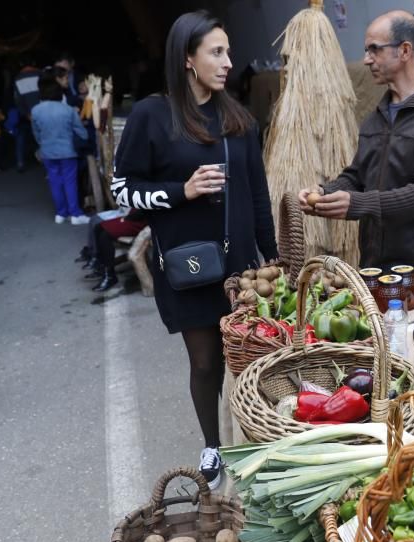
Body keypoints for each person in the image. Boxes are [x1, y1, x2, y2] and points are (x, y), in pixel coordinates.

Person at [111, 11, 278, 489]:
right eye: (216, 52)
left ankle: (256, 438)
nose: (228, 62)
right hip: (187, 267)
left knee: (251, 359)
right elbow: (123, 191)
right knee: (205, 363)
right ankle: (212, 443)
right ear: (188, 58)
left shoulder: (238, 120)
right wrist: (180, 191)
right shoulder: (152, 116)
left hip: (242, 269)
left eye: (228, 51)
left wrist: (271, 256)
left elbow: (257, 194)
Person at [298, 10, 414, 295]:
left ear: (404, 51)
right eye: (366, 50)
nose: (366, 59)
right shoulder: (376, 117)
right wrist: (325, 193)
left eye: (375, 49)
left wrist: (358, 204)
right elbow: (357, 176)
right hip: (374, 264)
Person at [31, 72, 89, 225]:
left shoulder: (36, 110)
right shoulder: (68, 110)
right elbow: (81, 132)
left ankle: (60, 213)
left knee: (54, 182)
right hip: (67, 151)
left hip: (48, 152)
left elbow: (36, 133)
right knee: (70, 182)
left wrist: (43, 145)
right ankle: (75, 214)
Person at [13, 56, 41, 172]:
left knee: (21, 136)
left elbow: (17, 100)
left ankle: (20, 162)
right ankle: (45, 163)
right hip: (42, 112)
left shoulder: (17, 79)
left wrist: (26, 113)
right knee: (42, 138)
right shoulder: (41, 74)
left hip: (27, 113)